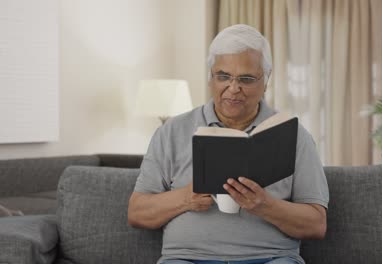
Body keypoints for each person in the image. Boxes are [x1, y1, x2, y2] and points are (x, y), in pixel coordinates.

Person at [128, 24, 329, 264]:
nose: (233, 89)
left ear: (266, 80)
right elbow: (137, 213)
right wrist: (186, 197)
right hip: (187, 260)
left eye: (246, 78)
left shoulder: (295, 136)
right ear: (211, 76)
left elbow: (317, 224)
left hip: (270, 259)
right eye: (223, 76)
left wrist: (264, 205)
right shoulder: (171, 132)